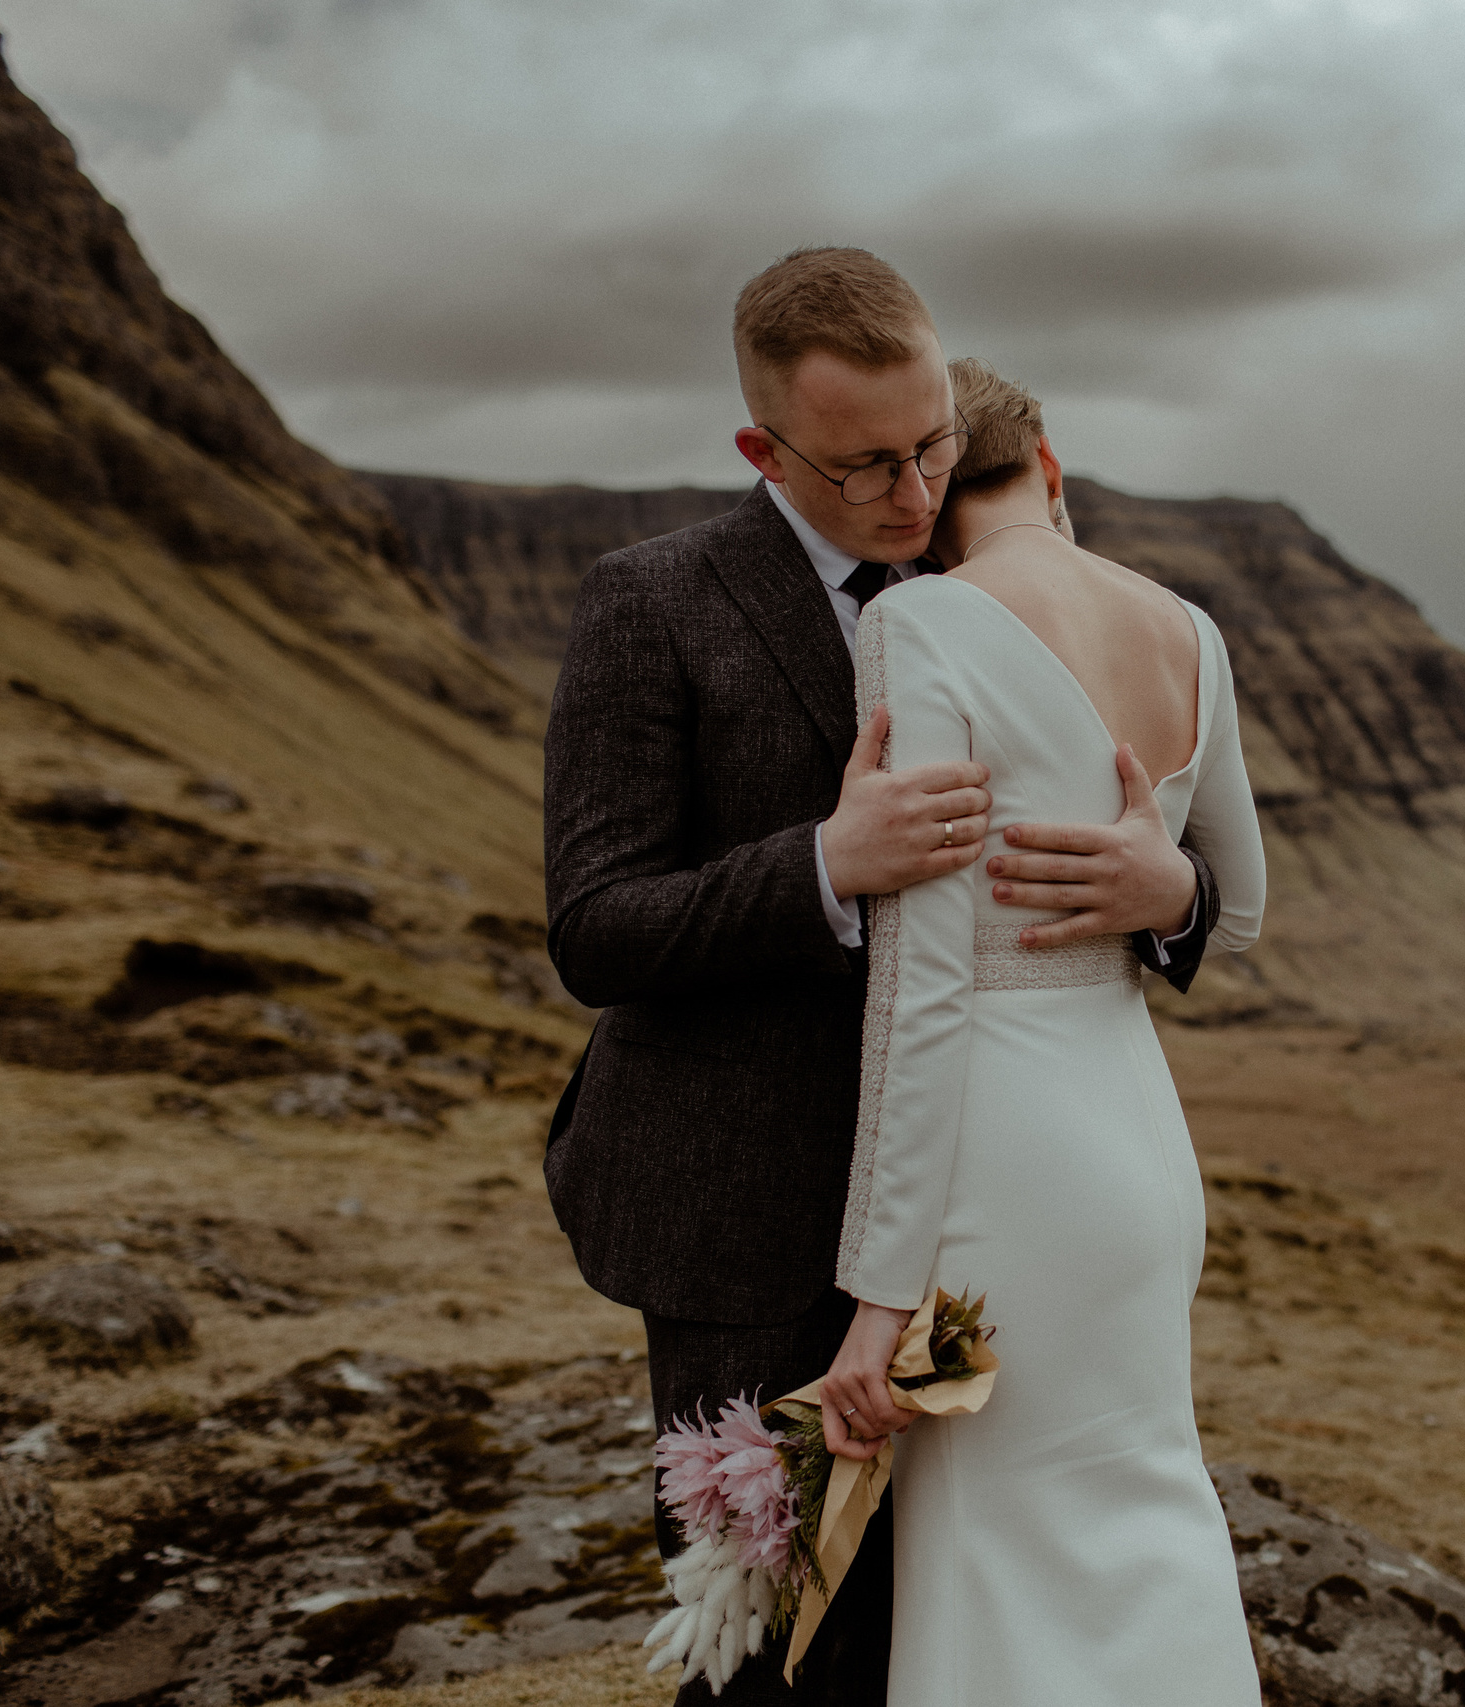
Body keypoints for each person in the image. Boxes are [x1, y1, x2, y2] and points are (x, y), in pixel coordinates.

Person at [540, 248, 1226, 1706]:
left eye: (932, 446)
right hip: (743, 1209)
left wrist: (1173, 897)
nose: (915, 495)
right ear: (764, 452)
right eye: (865, 467)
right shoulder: (649, 601)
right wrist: (822, 864)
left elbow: (1154, 854)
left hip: (984, 1214)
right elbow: (595, 926)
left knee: (957, 1621)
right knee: (775, 1649)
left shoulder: (993, 589)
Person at [819, 358, 1267, 1706]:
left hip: (1004, 1166)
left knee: (1002, 1551)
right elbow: (1235, 909)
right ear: (1050, 467)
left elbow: (921, 987)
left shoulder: (920, 622)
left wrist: (877, 1301)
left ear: (928, 495)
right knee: (1146, 1506)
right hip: (1135, 1138)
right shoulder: (1187, 628)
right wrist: (1166, 888)